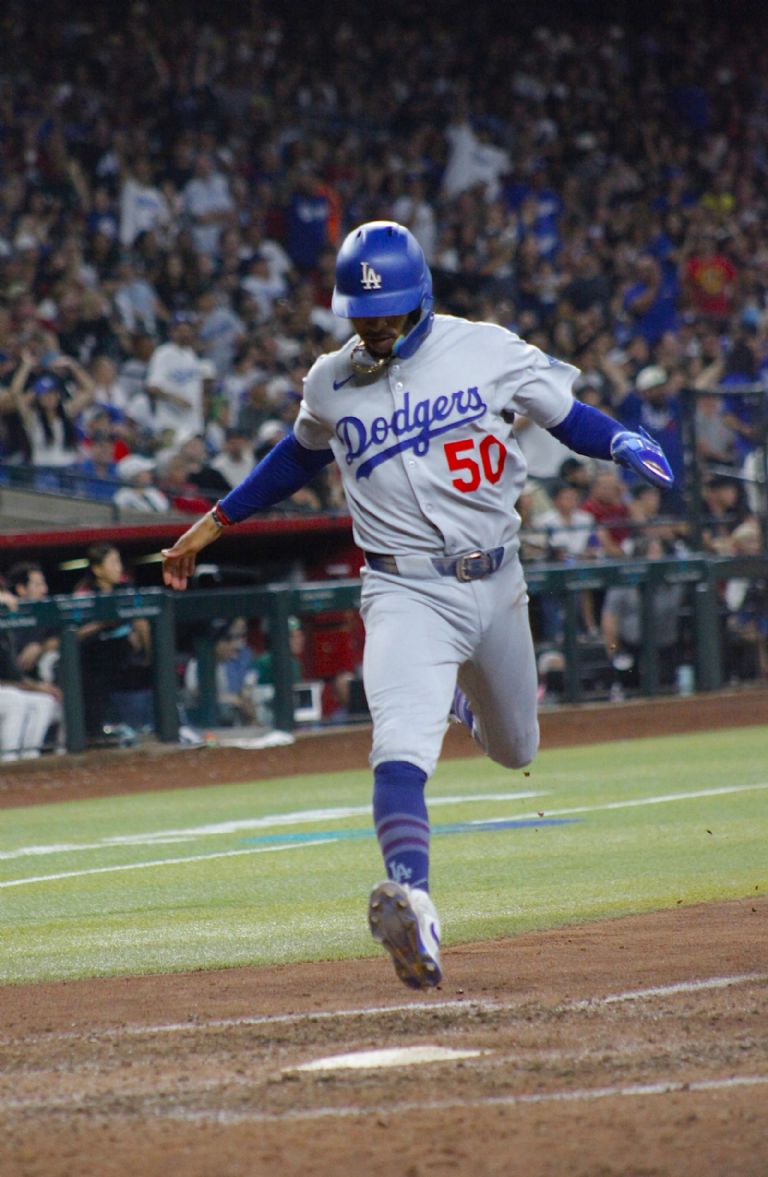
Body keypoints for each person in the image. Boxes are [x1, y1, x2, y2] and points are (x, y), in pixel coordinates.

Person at [161, 220, 673, 992]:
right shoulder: (330, 380)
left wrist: (624, 441)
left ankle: (463, 709)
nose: (370, 326)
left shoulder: (488, 349)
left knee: (517, 749)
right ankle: (416, 903)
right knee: (397, 747)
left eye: (386, 311)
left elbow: (570, 418)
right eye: (359, 314)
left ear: (420, 297)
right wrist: (215, 521)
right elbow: (295, 458)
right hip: (403, 589)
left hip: (498, 582)